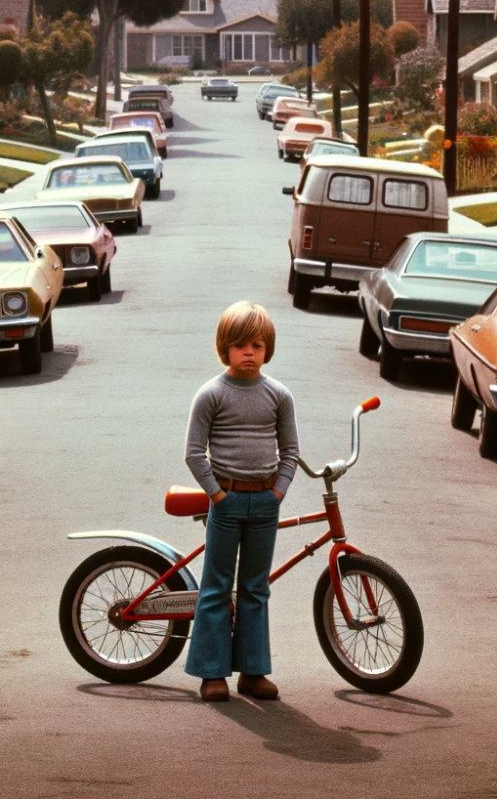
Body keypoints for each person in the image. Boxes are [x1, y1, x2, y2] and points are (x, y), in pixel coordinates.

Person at [184, 301, 300, 703]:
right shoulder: (212, 394)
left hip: (266, 504)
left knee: (255, 588)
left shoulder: (278, 395)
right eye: (239, 346)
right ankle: (211, 673)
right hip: (227, 502)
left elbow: (290, 451)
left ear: (267, 348)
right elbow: (194, 453)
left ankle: (252, 672)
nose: (248, 352)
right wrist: (218, 494)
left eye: (256, 344)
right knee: (217, 587)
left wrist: (279, 491)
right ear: (224, 349)